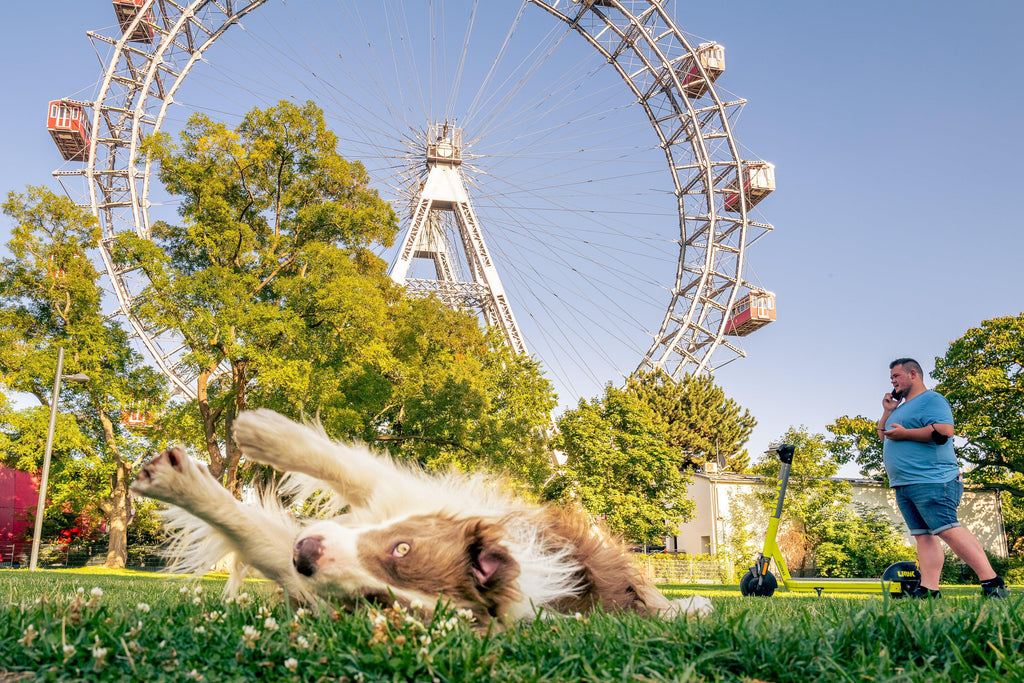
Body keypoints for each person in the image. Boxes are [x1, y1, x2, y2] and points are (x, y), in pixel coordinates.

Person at [878, 358, 1007, 598]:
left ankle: (992, 583)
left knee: (947, 529)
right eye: (891, 378)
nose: (893, 381)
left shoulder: (932, 400)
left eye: (896, 376)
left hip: (933, 479)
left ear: (913, 373)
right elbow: (884, 436)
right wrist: (887, 412)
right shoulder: (902, 407)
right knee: (922, 536)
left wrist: (906, 433)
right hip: (904, 482)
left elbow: (944, 432)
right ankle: (929, 589)